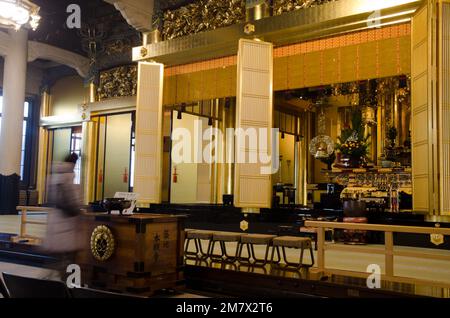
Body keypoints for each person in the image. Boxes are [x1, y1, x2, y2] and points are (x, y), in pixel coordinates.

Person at [40, 153, 84, 279]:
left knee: (58, 258)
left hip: (55, 221)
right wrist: (79, 211)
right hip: (67, 223)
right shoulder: (67, 176)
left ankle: (49, 281)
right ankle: (68, 284)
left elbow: (54, 199)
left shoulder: (54, 174)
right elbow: (69, 202)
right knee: (69, 257)